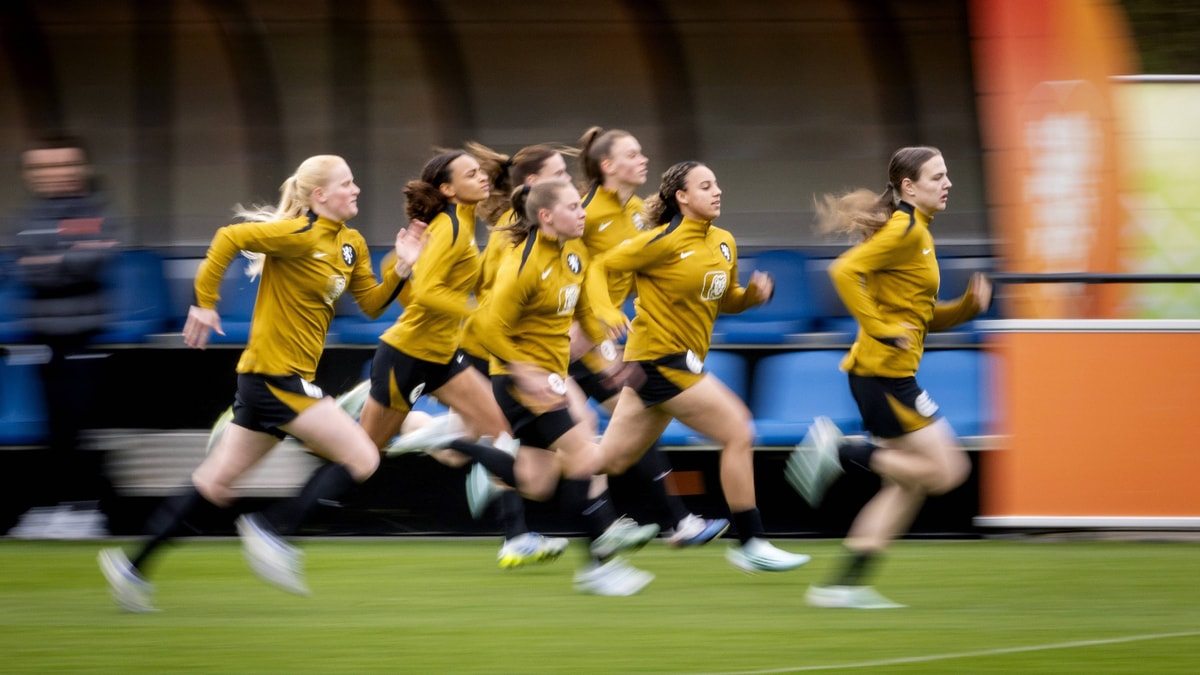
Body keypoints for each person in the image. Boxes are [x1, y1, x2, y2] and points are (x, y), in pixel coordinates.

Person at [98, 154, 425, 612]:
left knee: (215, 484)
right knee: (364, 457)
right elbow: (229, 236)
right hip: (276, 377)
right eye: (347, 183)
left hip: (269, 381)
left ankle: (131, 568)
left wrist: (403, 267)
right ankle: (273, 531)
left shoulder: (349, 243)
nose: (356, 190)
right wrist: (204, 303)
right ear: (320, 196)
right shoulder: (297, 234)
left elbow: (371, 303)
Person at [785, 146, 992, 609]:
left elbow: (918, 318)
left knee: (907, 484)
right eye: (937, 176)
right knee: (947, 471)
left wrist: (965, 309)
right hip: (884, 376)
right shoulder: (904, 229)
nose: (948, 183)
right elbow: (844, 271)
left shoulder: (916, 232)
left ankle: (843, 586)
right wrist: (878, 328)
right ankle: (842, 450)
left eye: (947, 174)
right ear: (909, 187)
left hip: (884, 374)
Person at [586, 161, 812, 573]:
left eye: (717, 184)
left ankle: (511, 463)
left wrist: (752, 298)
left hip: (660, 363)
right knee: (738, 429)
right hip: (661, 358)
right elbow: (601, 268)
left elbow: (724, 299)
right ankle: (752, 542)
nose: (717, 191)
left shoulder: (723, 242)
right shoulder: (660, 242)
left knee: (608, 461)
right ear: (682, 198)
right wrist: (604, 309)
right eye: (705, 186)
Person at [355, 147, 567, 568]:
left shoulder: (468, 226)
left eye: (480, 172)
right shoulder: (448, 227)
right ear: (448, 189)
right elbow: (429, 292)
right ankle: (297, 422)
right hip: (409, 353)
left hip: (443, 354)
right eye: (470, 174)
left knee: (502, 434)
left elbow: (439, 285)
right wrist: (476, 312)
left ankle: (516, 538)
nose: (482, 178)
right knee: (362, 456)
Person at [474, 180, 658, 595]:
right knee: (587, 459)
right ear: (546, 217)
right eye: (574, 207)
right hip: (521, 384)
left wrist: (609, 362)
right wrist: (523, 371)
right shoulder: (521, 265)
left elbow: (583, 313)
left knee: (537, 483)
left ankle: (465, 448)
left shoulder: (575, 254)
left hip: (551, 377)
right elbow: (485, 327)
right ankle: (598, 567)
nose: (583, 214)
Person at [571, 127, 728, 547]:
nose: (643, 160)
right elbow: (577, 269)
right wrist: (600, 312)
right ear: (608, 166)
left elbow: (652, 264)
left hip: (604, 338)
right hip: (568, 335)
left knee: (632, 426)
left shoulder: (641, 210)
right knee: (587, 432)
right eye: (633, 154)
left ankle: (661, 524)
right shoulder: (586, 212)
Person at [7, 135, 121, 539]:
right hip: (41, 334)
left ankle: (84, 510)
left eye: (63, 165)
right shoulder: (29, 217)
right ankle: (55, 506)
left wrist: (49, 258)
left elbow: (88, 260)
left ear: (81, 168)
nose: (54, 174)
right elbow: (25, 268)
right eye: (43, 167)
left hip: (81, 336)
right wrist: (57, 257)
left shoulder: (91, 212)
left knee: (76, 423)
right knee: (54, 427)